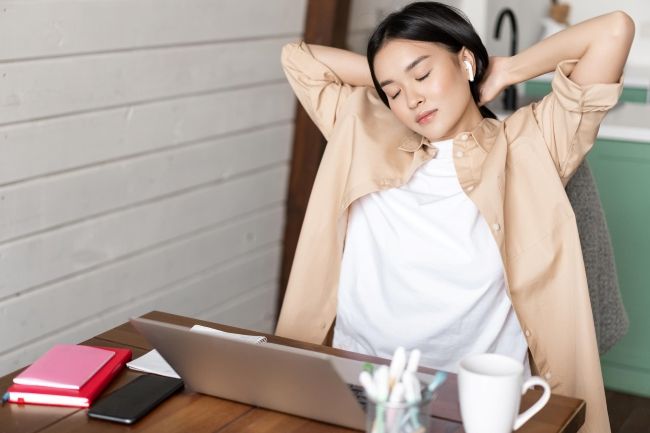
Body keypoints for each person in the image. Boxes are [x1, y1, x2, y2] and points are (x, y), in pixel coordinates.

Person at [275, 2, 634, 432]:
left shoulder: (530, 144)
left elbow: (614, 30)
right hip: (361, 390)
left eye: (423, 74)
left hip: (476, 405)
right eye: (391, 91)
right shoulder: (364, 130)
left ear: (464, 60)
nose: (412, 99)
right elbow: (298, 59)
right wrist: (389, 74)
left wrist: (505, 69)